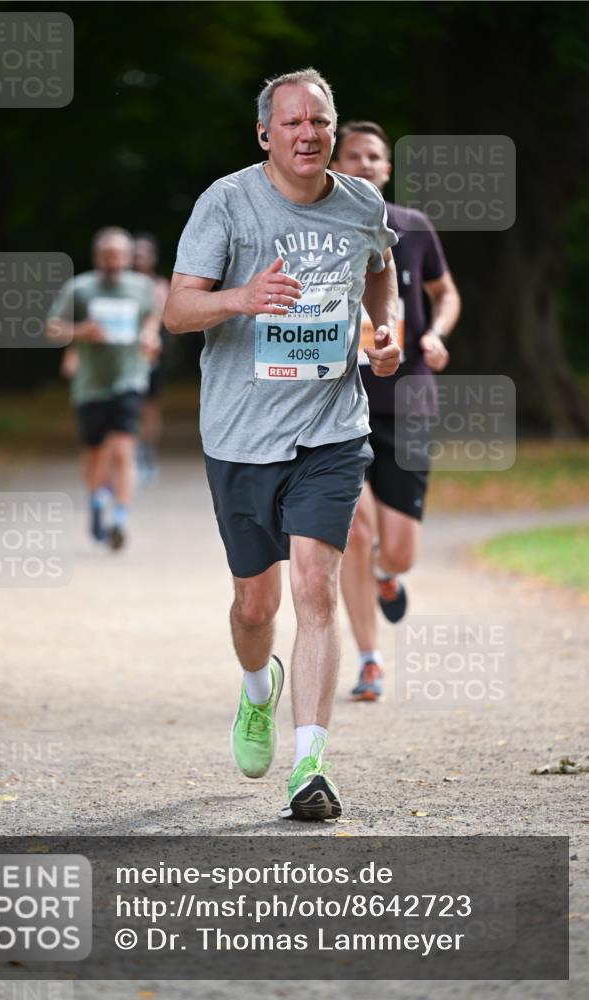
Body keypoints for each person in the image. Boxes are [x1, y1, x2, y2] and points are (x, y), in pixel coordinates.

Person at [163, 69, 400, 820]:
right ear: (265, 133)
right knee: (254, 602)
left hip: (331, 430)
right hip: (240, 432)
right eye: (292, 123)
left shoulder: (362, 202)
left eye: (320, 123)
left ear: (334, 130)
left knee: (312, 590)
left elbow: (379, 270)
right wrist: (241, 297)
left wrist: (383, 330)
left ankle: (310, 767)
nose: (308, 135)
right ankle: (257, 688)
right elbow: (175, 310)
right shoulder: (226, 203)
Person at [331, 122, 461, 700]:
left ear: (387, 169)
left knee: (399, 549)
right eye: (353, 155)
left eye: (374, 157)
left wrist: (435, 334)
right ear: (336, 163)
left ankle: (388, 575)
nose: (364, 163)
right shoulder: (317, 227)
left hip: (407, 400)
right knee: (354, 533)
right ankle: (369, 658)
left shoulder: (412, 227)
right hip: (336, 403)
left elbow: (446, 293)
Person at [47, 227, 161, 550]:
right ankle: (97, 501)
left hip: (130, 379)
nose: (114, 261)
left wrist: (150, 337)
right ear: (98, 256)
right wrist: (81, 331)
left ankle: (121, 519)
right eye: (107, 255)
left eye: (119, 255)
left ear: (127, 257)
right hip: (90, 385)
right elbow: (53, 328)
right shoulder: (79, 288)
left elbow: (153, 318)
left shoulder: (141, 287)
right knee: (95, 454)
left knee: (124, 451)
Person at [133, 233, 170, 485]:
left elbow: (165, 316)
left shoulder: (159, 284)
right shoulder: (121, 283)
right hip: (124, 351)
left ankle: (147, 453)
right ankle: (132, 452)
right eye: (136, 253)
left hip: (152, 350)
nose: (139, 258)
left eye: (144, 253)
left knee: (150, 406)